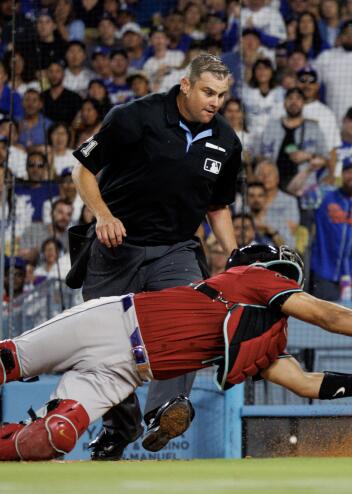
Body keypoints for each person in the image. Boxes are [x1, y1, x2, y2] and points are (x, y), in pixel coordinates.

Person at [0, 245, 352, 463]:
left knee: (53, 438)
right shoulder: (250, 279)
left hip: (126, 369)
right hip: (112, 321)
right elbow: (327, 315)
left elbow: (305, 383)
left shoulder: (270, 338)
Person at [71, 54, 242, 460]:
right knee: (100, 344)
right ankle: (119, 427)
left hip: (176, 247)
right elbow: (82, 170)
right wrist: (104, 215)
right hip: (117, 245)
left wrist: (236, 259)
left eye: (221, 95)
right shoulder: (134, 117)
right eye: (207, 91)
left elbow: (217, 208)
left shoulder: (227, 141)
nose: (214, 101)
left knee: (190, 317)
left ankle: (165, 411)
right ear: (185, 85)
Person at [311, 156, 352, 302]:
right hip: (325, 269)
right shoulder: (326, 197)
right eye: (348, 172)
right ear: (342, 175)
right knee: (323, 320)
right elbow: (295, 190)